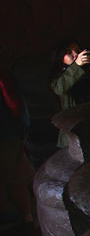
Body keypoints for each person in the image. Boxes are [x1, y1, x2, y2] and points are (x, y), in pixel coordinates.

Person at [49, 41, 90, 147]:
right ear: (60, 57)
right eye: (69, 52)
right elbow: (59, 88)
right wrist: (76, 66)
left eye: (77, 51)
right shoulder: (59, 74)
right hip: (74, 131)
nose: (75, 54)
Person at [0, 66, 36, 227]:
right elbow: (14, 103)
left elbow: (14, 102)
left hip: (6, 132)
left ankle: (27, 217)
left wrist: (21, 129)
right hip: (7, 132)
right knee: (16, 175)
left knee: (16, 175)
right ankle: (27, 217)